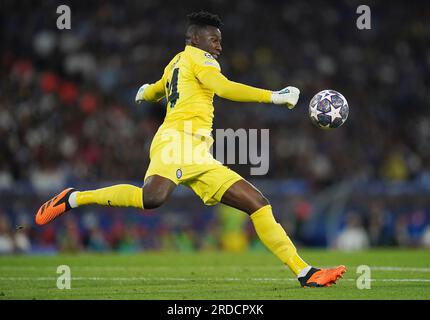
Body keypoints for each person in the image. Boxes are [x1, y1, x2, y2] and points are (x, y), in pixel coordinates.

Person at [35, 11, 345, 287]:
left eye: (219, 41)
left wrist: (146, 92)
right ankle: (73, 197)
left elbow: (157, 88)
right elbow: (222, 88)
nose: (218, 47)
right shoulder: (201, 59)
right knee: (152, 198)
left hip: (199, 153)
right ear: (195, 39)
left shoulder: (176, 61)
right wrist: (273, 96)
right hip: (176, 140)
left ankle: (305, 272)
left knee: (258, 203)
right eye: (213, 40)